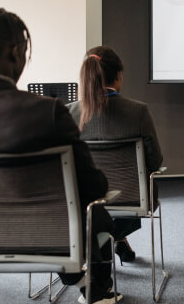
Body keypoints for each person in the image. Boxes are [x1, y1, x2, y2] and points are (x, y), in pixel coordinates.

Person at [0, 8, 122, 304]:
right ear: (15, 52)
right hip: (47, 238)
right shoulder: (48, 112)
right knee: (98, 215)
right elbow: (92, 186)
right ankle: (94, 286)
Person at [68, 46, 163, 263]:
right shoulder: (138, 112)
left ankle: (108, 240)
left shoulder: (70, 113)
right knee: (138, 187)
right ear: (118, 76)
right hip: (132, 197)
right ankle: (113, 238)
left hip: (85, 199)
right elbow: (155, 161)